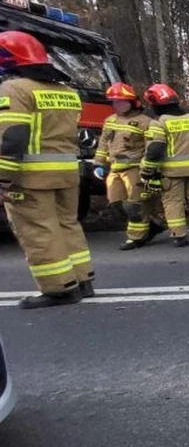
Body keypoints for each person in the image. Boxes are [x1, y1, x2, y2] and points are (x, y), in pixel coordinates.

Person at [0, 31, 95, 308]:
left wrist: (3, 178)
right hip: (67, 172)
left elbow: (13, 137)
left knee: (39, 230)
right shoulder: (66, 91)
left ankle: (59, 288)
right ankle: (83, 279)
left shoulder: (14, 90)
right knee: (67, 224)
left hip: (30, 175)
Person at [141, 84, 189, 246]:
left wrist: (147, 170)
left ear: (156, 104)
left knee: (173, 202)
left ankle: (179, 235)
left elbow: (156, 148)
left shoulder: (160, 122)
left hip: (172, 172)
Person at [94, 81, 166, 249]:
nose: (116, 105)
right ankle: (153, 225)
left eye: (120, 102)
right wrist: (99, 163)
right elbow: (104, 143)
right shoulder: (110, 121)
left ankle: (136, 237)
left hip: (135, 168)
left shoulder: (145, 122)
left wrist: (148, 167)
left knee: (134, 204)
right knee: (116, 203)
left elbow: (151, 146)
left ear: (132, 102)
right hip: (114, 168)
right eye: (114, 102)